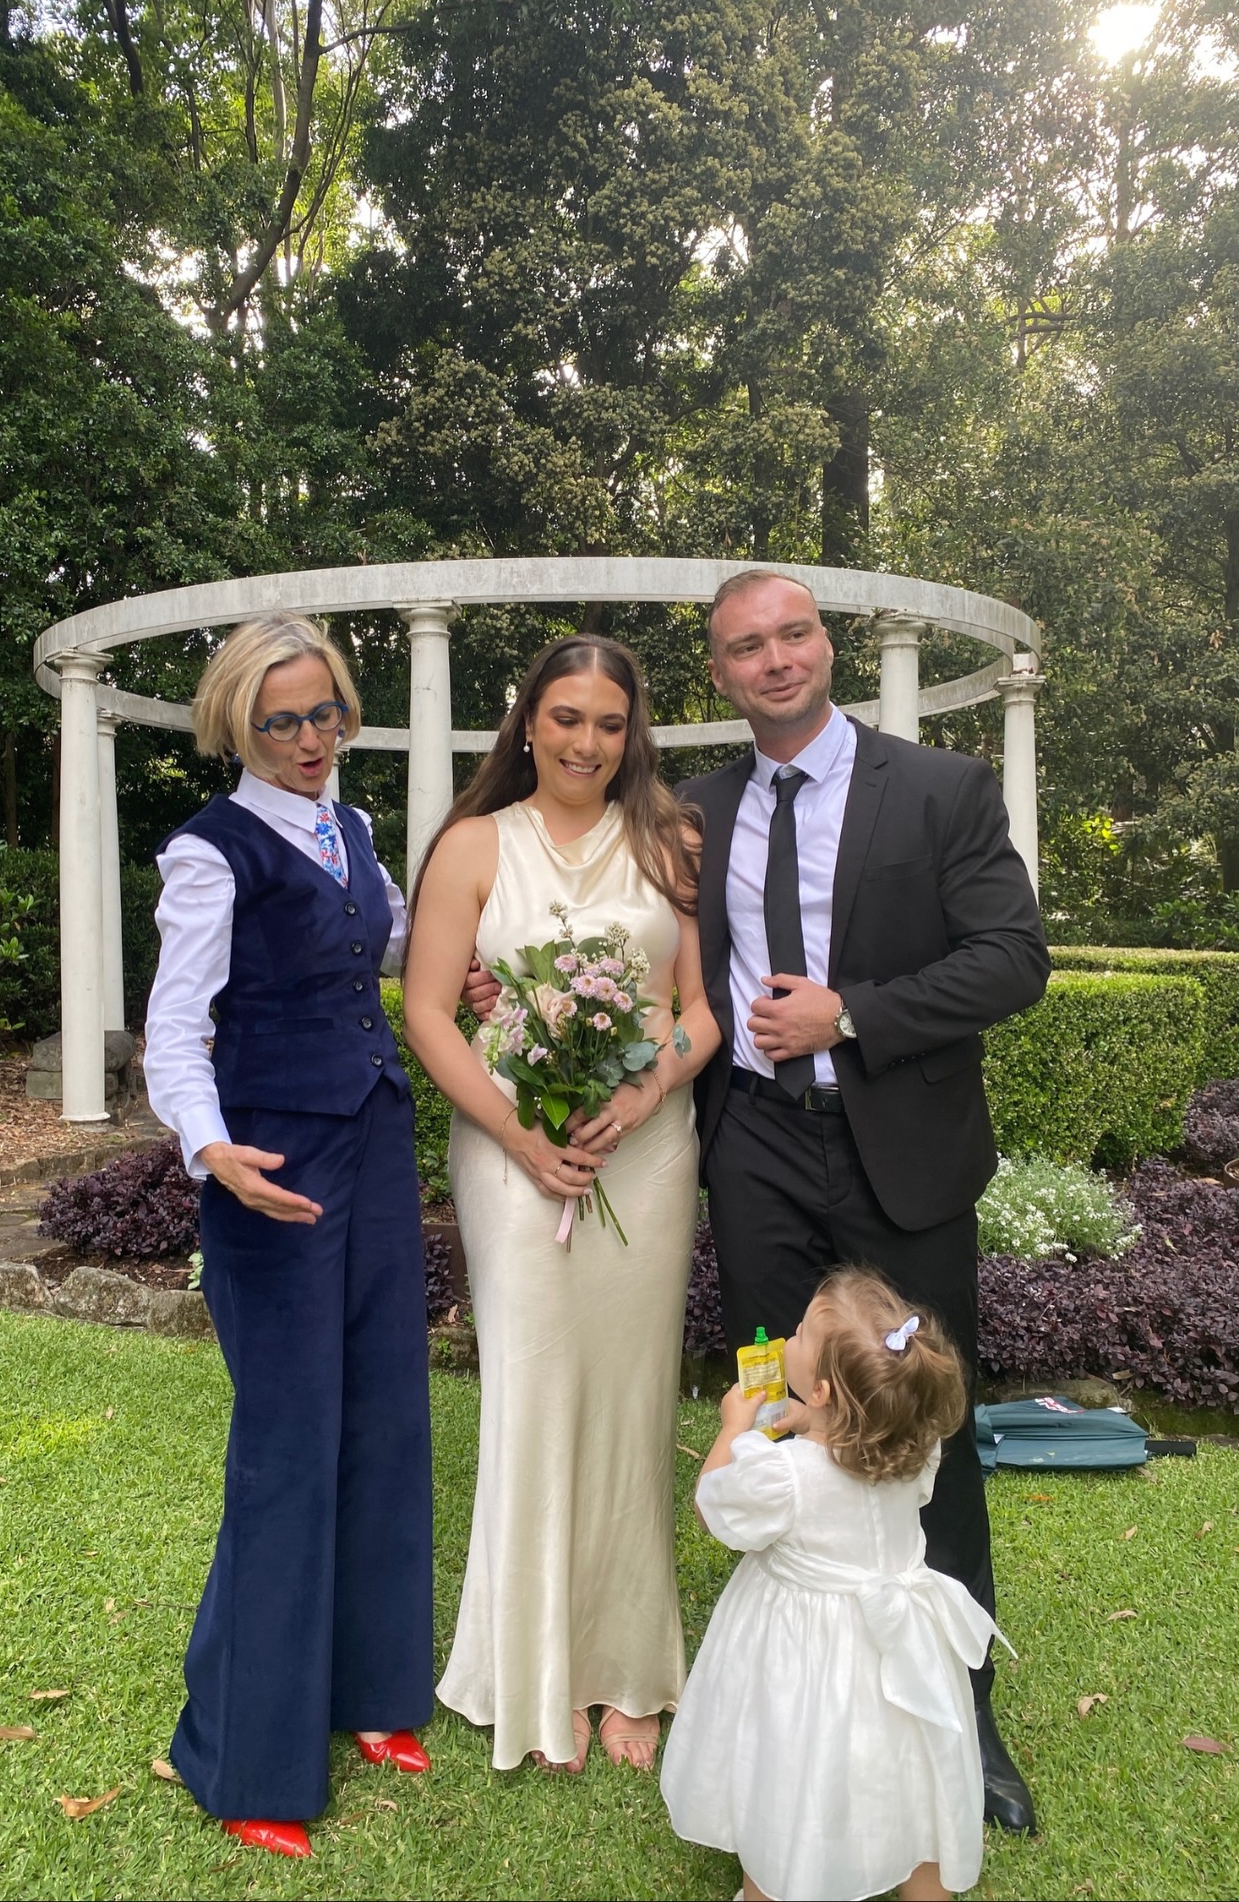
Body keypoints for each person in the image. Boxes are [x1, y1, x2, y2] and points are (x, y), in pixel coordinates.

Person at [677, 568, 1051, 1831]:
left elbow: (1013, 957)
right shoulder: (697, 811)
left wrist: (856, 1015)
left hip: (904, 1149)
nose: (775, 660)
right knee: (784, 1405)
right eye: (747, 647)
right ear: (721, 674)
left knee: (921, 1420)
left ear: (824, 646)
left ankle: (966, 1708)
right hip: (757, 1156)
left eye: (793, 635)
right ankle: (785, 1695)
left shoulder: (941, 787)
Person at [403, 633, 721, 1774]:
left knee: (633, 1404)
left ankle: (628, 1667)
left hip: (644, 1149)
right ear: (526, 720)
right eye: (567, 716)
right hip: (511, 1151)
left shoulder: (671, 841)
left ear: (633, 734)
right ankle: (534, 1669)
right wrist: (520, 1134)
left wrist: (639, 1096)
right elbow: (431, 1011)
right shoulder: (473, 844)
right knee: (535, 1391)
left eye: (610, 722)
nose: (587, 740)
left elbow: (702, 1007)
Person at [143, 612, 434, 1860]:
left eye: (326, 714)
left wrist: (457, 970)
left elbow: (394, 942)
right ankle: (245, 1752)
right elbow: (172, 1028)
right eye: (283, 721)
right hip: (271, 1170)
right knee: (284, 1447)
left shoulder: (355, 830)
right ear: (237, 726)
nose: (311, 738)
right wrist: (212, 1151)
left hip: (371, 1148)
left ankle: (372, 1694)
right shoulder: (210, 854)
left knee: (383, 1415)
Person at [660, 1270, 1003, 1902]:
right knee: (909, 1773)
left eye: (797, 1333)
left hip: (805, 1658)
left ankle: (774, 1883)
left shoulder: (782, 1478)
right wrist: (807, 1423)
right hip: (901, 1650)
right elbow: (847, 1452)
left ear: (818, 1388)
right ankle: (925, 1888)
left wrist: (734, 1427)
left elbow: (714, 1508)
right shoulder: (914, 1445)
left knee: (791, 1769)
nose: (787, 1337)